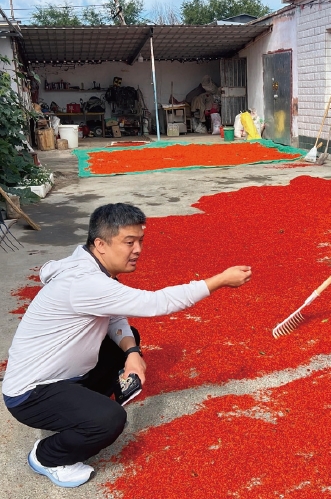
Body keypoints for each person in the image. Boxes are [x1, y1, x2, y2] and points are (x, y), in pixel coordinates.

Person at [2, 203, 252, 488]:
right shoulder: (86, 283)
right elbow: (157, 303)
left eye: (140, 241)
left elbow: (112, 313)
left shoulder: (88, 263)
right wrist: (219, 281)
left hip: (61, 374)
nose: (138, 250)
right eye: (129, 242)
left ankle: (76, 411)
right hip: (30, 393)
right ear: (101, 244)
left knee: (126, 337)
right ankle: (47, 457)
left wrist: (132, 354)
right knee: (109, 420)